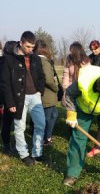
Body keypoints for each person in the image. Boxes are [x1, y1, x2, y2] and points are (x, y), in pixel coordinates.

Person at [0, 31, 46, 166]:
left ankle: (37, 152)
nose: (30, 50)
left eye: (32, 47)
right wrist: (10, 102)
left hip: (35, 96)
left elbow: (41, 76)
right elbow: (5, 83)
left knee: (40, 124)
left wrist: (40, 91)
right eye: (28, 47)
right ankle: (24, 154)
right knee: (20, 127)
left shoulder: (36, 58)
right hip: (19, 98)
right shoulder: (9, 59)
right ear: (20, 43)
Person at [33, 40, 58, 146]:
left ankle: (47, 137)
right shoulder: (44, 61)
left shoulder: (35, 59)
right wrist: (56, 88)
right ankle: (44, 139)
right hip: (48, 95)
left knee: (53, 115)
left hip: (44, 95)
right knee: (47, 118)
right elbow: (48, 79)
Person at [0, 41, 17, 154]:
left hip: (7, 96)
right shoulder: (5, 62)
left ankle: (7, 144)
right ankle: (6, 145)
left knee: (8, 122)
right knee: (7, 122)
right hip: (5, 96)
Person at [61, 42, 90, 107]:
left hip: (82, 88)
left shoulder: (85, 61)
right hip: (71, 88)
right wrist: (65, 88)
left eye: (72, 51)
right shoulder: (69, 60)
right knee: (71, 107)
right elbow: (66, 75)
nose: (70, 52)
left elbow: (88, 76)